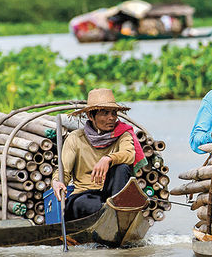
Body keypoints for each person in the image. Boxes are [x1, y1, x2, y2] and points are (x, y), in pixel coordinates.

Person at [51, 88, 146, 221]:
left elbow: (129, 154)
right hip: (85, 195)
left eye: (113, 113)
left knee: (122, 167)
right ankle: (111, 217)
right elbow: (64, 171)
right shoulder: (76, 138)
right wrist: (56, 182)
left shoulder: (123, 134)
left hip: (112, 195)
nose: (111, 118)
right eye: (105, 113)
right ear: (91, 116)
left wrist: (108, 159)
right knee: (87, 205)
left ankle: (116, 215)